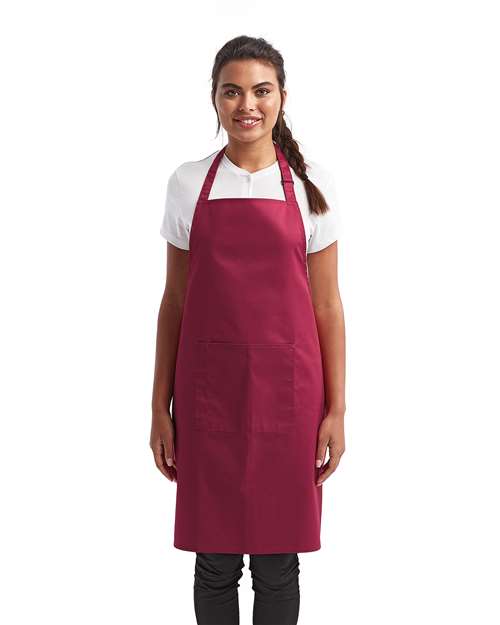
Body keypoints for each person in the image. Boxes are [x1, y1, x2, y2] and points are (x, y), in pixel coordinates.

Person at [151, 35, 346, 625]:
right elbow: (175, 301)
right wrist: (159, 406)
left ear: (282, 97)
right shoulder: (188, 183)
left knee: (277, 562)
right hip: (209, 393)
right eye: (231, 91)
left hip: (290, 395)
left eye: (261, 91)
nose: (247, 105)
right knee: (213, 561)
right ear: (214, 99)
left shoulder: (312, 186)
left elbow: (328, 307)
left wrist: (337, 409)